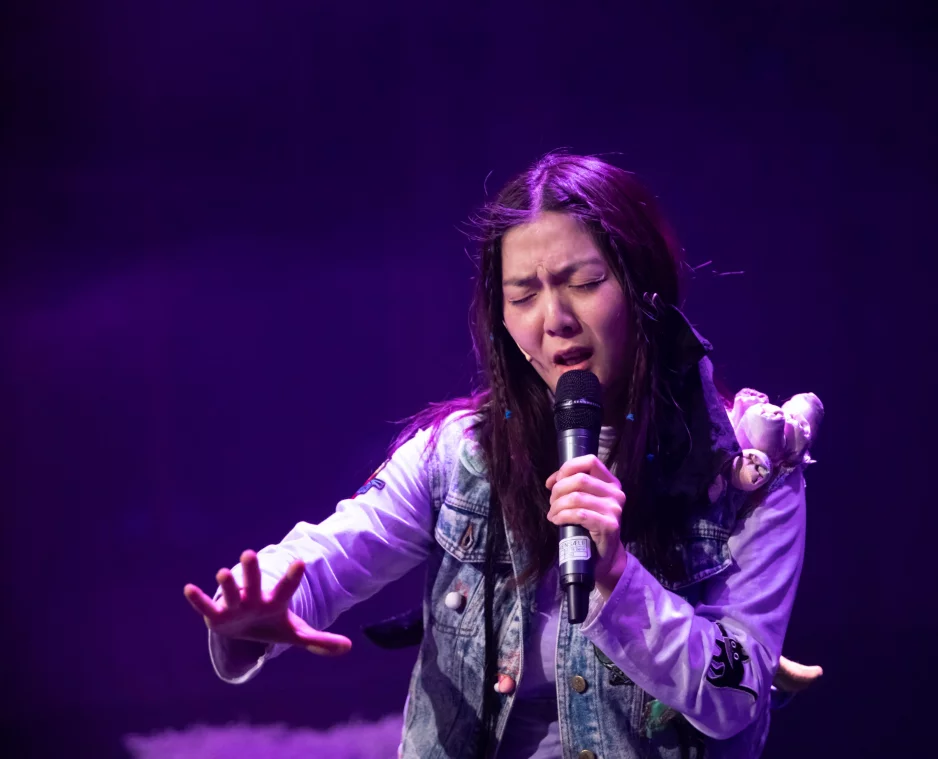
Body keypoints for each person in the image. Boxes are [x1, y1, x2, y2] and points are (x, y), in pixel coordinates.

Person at [183, 152, 824, 759]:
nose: (555, 318)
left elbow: (733, 698)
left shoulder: (748, 470)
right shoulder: (460, 455)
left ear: (644, 289)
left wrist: (617, 577)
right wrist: (252, 611)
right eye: (522, 296)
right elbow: (328, 559)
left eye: (585, 283)